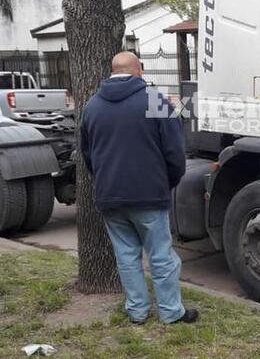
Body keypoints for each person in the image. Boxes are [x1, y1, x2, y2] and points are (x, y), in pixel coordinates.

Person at [80, 51, 196, 325]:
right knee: (160, 256)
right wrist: (167, 183)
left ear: (112, 71)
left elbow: (88, 155)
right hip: (149, 194)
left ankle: (137, 311)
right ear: (138, 71)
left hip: (110, 196)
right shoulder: (154, 101)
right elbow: (175, 153)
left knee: (126, 257)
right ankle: (170, 312)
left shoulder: (92, 106)